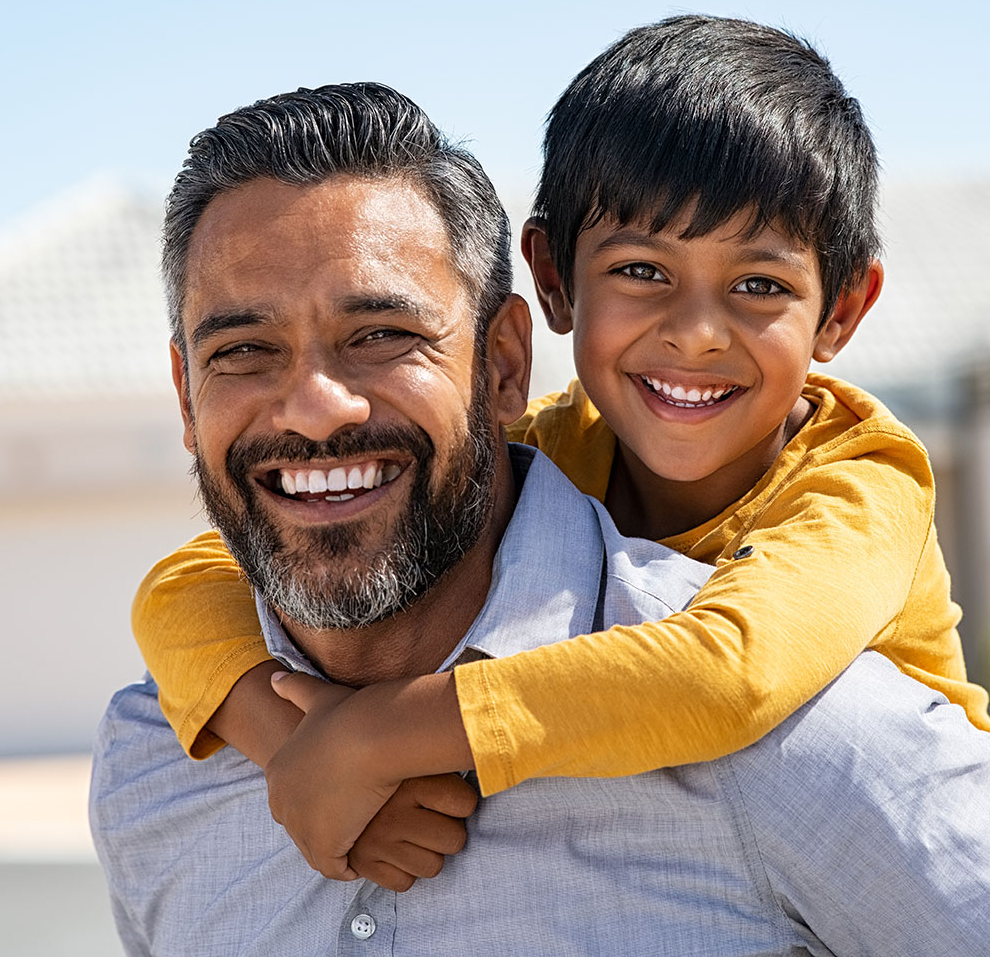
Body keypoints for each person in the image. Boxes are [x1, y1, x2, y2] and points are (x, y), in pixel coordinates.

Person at [91, 80, 990, 955]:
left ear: (503, 368)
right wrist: (285, 736)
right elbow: (185, 580)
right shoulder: (152, 761)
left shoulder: (821, 697)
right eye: (244, 350)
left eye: (381, 336)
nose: (699, 336)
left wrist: (373, 736)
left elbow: (729, 676)